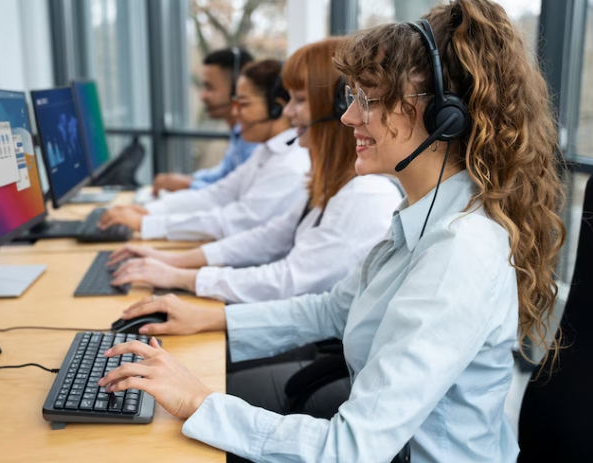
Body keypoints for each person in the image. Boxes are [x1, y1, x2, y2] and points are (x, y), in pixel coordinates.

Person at [97, 1, 566, 461]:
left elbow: (351, 449)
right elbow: (333, 308)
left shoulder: (458, 252)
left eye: (370, 99)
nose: (349, 118)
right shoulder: (421, 216)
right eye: (352, 98)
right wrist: (210, 319)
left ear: (445, 116)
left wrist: (199, 403)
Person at [105, 38, 402, 304]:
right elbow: (268, 236)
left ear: (337, 110)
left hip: (305, 341)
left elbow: (288, 279)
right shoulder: (328, 184)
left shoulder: (363, 195)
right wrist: (171, 262)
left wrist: (180, 275)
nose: (287, 112)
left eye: (298, 101)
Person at [98, 60, 310, 240]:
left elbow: (236, 222)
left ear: (277, 107)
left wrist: (148, 223)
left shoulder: (289, 164)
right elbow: (216, 195)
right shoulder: (267, 151)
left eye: (243, 104)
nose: (235, 113)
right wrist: (148, 211)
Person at [153, 48, 259, 194]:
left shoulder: (255, 140)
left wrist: (187, 185)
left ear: (237, 90)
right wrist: (187, 180)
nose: (202, 96)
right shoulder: (238, 132)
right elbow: (222, 175)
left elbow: (236, 194)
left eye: (209, 87)